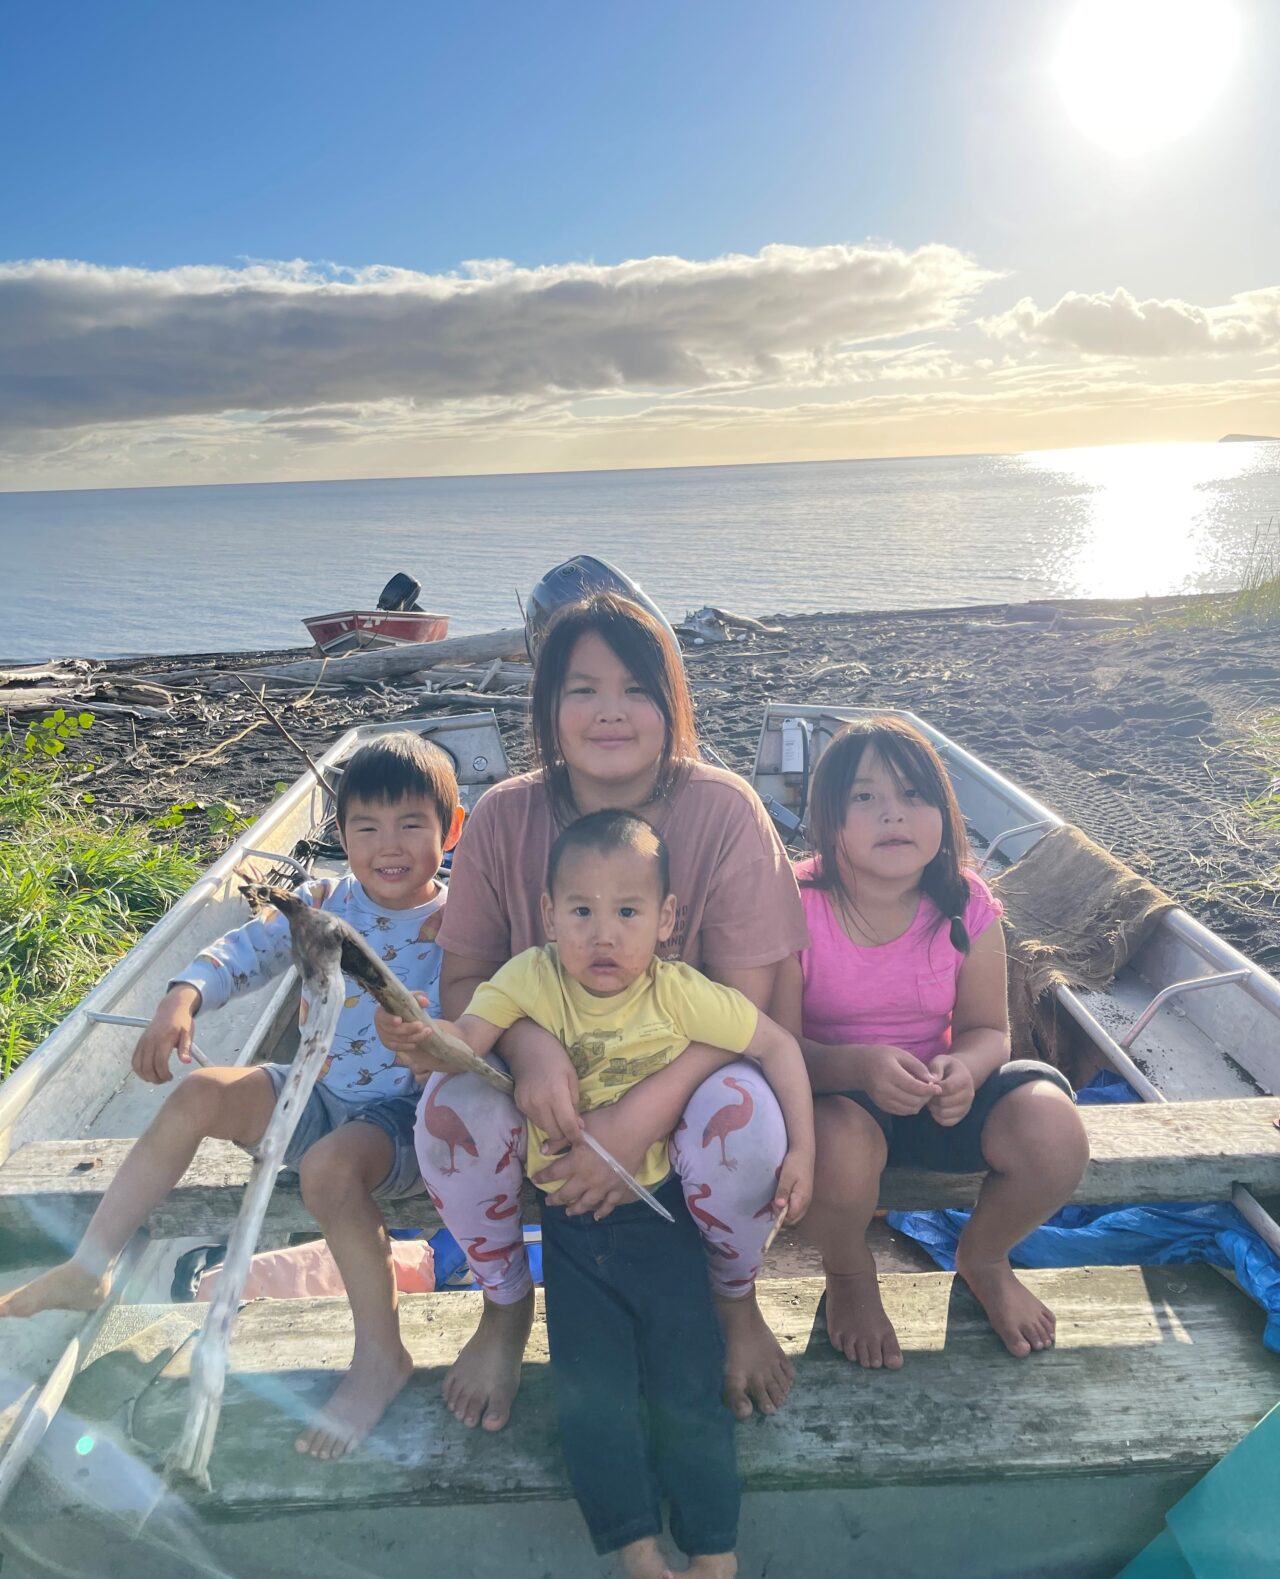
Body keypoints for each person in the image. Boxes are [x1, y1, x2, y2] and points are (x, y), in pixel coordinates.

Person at [376, 591, 811, 1432]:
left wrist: (633, 1119)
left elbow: (751, 1011)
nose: (610, 711)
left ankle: (734, 1299)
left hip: (692, 1068)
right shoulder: (506, 814)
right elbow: (466, 980)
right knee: (447, 1110)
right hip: (545, 1093)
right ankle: (504, 1303)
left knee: (747, 1121)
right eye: (582, 688)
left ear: (672, 703)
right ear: (547, 707)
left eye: (636, 688)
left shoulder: (724, 810)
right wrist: (533, 1048)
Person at [0, 732, 463, 1459]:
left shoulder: (460, 919)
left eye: (412, 824)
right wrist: (181, 997)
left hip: (402, 1116)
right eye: (365, 827)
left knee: (329, 1169)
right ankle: (92, 1266)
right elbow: (244, 952)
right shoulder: (324, 900)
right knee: (200, 1093)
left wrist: (438, 1032)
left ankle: (381, 1353)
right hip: (313, 1087)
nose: (389, 845)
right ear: (340, 835)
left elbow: (498, 1003)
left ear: (451, 829)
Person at [410, 808, 814, 1579]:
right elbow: (471, 1035)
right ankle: (635, 1546)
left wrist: (805, 1147)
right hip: (570, 1230)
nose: (603, 933)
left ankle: (714, 1547)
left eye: (627, 911)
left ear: (666, 920)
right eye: (582, 911)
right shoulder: (529, 976)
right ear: (547, 915)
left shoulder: (681, 993)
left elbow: (776, 1045)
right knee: (591, 1392)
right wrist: (425, 1037)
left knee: (688, 1379)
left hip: (663, 1225)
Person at [772, 716, 1090, 1369]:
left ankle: (984, 1255)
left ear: (945, 812)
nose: (894, 812)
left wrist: (964, 1071)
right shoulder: (794, 902)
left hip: (936, 1100)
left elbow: (989, 1032)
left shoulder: (964, 903)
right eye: (865, 797)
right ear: (828, 820)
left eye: (915, 794)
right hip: (836, 1103)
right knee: (832, 1150)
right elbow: (775, 1046)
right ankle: (850, 1271)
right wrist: (858, 1065)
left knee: (1055, 1130)